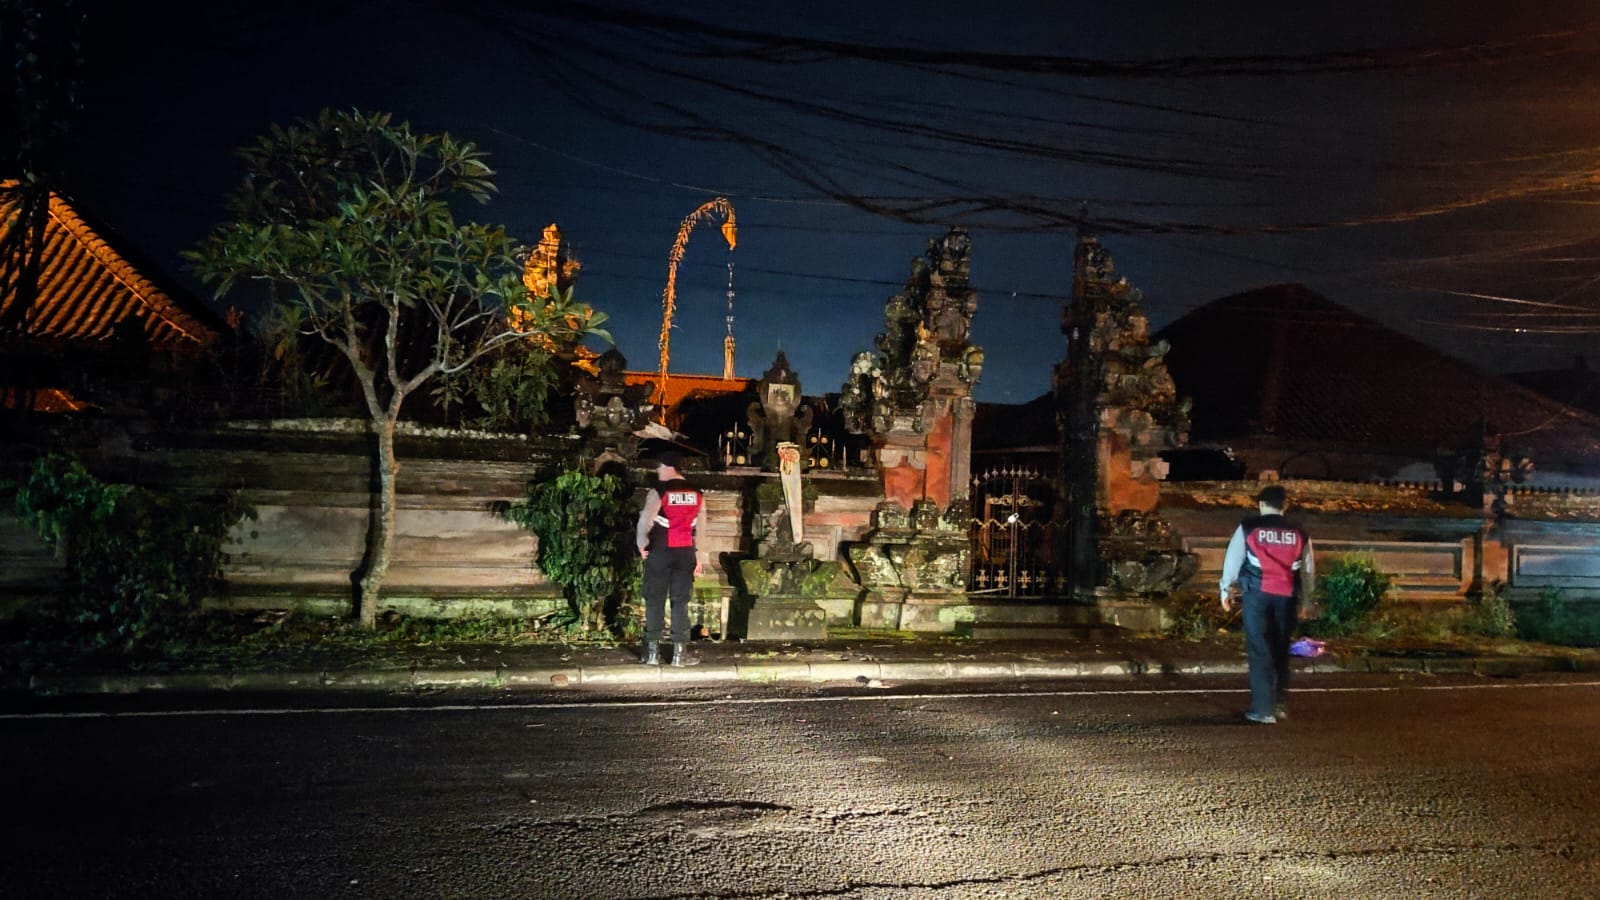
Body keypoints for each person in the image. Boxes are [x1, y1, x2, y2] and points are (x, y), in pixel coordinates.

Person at [1219, 484, 1314, 725]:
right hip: (1287, 597)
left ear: (1261, 504)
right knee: (1281, 648)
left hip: (1257, 595)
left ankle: (1263, 709)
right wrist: (1306, 600)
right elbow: (1308, 570)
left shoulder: (1249, 527)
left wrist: (1225, 590)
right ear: (1285, 506)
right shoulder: (1299, 531)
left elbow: (1233, 560)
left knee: (1260, 649)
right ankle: (1279, 703)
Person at [635, 449, 703, 666]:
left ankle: (652, 653)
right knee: (680, 600)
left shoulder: (659, 491)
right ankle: (679, 654)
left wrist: (642, 544)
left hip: (660, 550)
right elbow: (701, 527)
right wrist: (699, 556)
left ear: (666, 467)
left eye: (659, 467)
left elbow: (646, 521)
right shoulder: (697, 492)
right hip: (685, 551)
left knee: (654, 598)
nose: (658, 471)